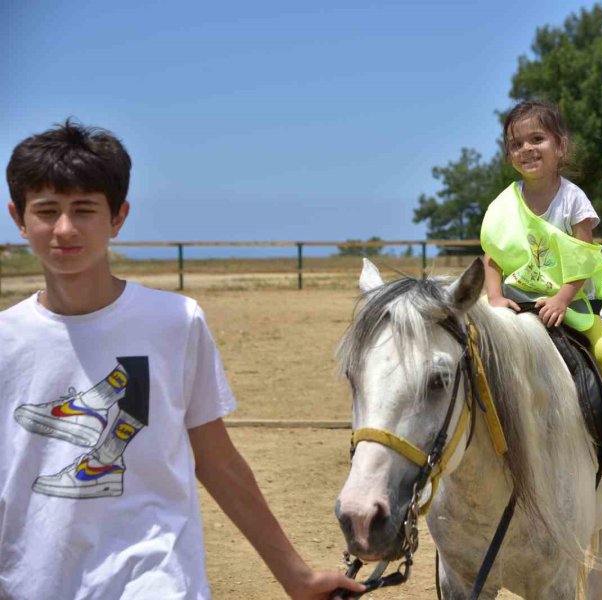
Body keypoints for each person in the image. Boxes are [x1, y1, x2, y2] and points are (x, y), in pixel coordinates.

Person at [0, 119, 365, 600]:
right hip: (32, 579)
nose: (64, 229)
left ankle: (94, 414)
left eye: (83, 209)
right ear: (18, 218)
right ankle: (85, 408)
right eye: (46, 211)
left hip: (156, 578)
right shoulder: (7, 340)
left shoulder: (174, 321)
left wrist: (295, 576)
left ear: (118, 217)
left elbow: (217, 461)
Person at [480, 100, 602, 475]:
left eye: (537, 138)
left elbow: (583, 256)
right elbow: (492, 257)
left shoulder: (573, 199)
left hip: (566, 300)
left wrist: (563, 297)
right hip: (516, 303)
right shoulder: (504, 205)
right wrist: (495, 298)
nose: (527, 149)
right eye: (516, 144)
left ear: (560, 146)